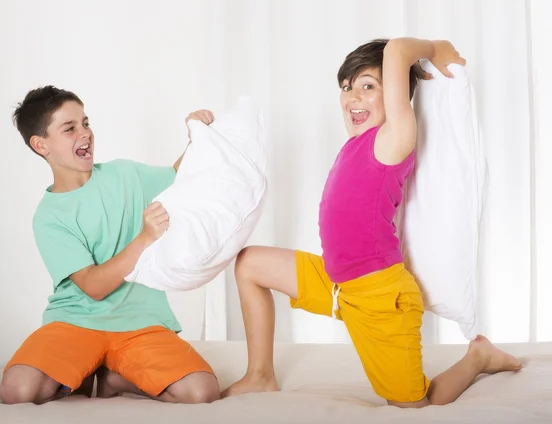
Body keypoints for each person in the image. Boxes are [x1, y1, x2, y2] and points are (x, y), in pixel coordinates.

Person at [222, 38, 523, 408]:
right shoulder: (356, 142)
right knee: (250, 263)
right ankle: (260, 376)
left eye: (368, 86)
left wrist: (437, 48)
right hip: (336, 284)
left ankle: (478, 356)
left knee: (414, 404)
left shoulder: (394, 139)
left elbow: (396, 50)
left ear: (396, 97)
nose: (353, 98)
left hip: (381, 296)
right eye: (347, 88)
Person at [0, 85, 220, 405]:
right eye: (70, 128)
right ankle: (83, 368)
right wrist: (145, 238)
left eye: (86, 123)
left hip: (140, 324)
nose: (85, 133)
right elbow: (93, 286)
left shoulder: (124, 174)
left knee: (201, 391)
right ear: (40, 144)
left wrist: (197, 137)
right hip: (75, 322)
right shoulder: (48, 217)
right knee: (18, 391)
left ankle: (114, 378)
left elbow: (179, 177)